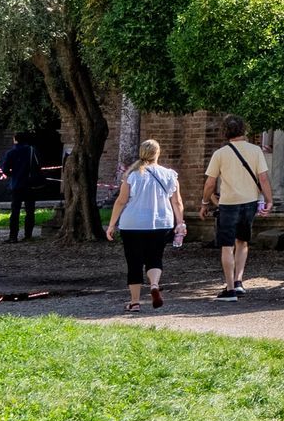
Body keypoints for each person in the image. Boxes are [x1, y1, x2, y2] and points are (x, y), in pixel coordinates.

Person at [104, 139, 186, 312]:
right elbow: (177, 202)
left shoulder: (132, 175)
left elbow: (121, 201)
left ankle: (134, 302)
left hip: (132, 224)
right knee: (155, 258)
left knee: (134, 262)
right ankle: (154, 285)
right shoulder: (170, 174)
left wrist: (111, 225)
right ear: (158, 153)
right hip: (161, 222)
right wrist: (180, 222)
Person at [201, 117, 272, 301]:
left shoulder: (220, 153)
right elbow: (263, 178)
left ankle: (230, 288)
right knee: (242, 242)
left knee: (226, 246)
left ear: (225, 131)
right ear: (243, 130)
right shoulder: (255, 150)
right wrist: (269, 200)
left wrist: (204, 202)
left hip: (228, 203)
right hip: (249, 202)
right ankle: (239, 282)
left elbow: (210, 182)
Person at [0, 131, 40, 242]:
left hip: (17, 184)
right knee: (30, 211)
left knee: (15, 211)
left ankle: (13, 236)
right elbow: (38, 166)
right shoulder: (32, 150)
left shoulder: (11, 152)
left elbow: (5, 169)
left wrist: (13, 175)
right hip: (30, 184)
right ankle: (28, 235)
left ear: (15, 139)